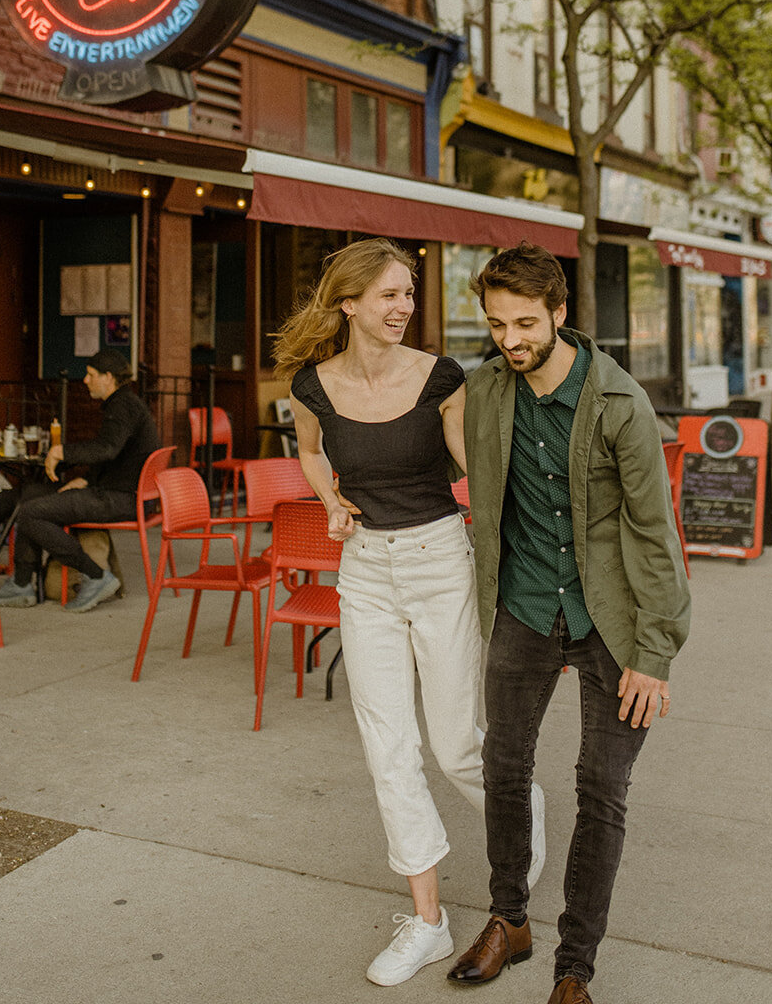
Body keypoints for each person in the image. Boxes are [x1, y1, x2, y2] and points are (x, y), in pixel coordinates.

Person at [278, 237, 544, 989]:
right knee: (387, 747)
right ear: (349, 303)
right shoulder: (313, 386)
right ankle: (427, 922)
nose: (403, 308)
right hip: (364, 570)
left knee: (457, 743)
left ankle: (521, 823)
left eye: (407, 294)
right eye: (389, 295)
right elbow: (308, 450)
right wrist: (330, 501)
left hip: (436, 561)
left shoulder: (441, 377)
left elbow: (475, 470)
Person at [448, 243, 691, 1004]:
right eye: (495, 325)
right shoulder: (486, 391)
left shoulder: (619, 404)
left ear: (559, 313)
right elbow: (420, 420)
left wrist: (655, 651)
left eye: (525, 323)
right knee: (503, 767)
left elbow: (656, 534)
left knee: (600, 786)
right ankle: (508, 920)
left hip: (610, 620)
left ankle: (574, 968)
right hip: (522, 604)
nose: (510, 340)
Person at [0, 348, 159, 613]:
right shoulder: (126, 403)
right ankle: (21, 584)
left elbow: (107, 448)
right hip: (119, 492)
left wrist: (62, 452)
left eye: (91, 375)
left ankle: (96, 576)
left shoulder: (122, 405)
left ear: (109, 377)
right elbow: (116, 455)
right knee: (31, 494)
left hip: (122, 498)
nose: (85, 381)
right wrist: (87, 479)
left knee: (30, 514)